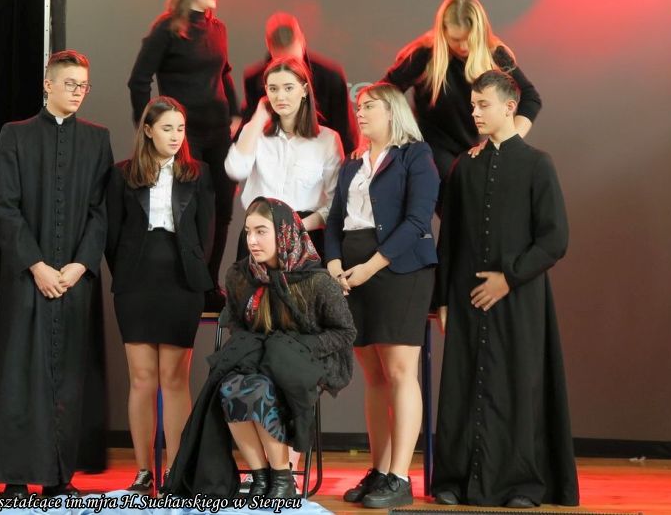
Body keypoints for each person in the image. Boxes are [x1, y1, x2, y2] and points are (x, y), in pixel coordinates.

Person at [432, 69, 578, 509]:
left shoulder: (537, 164)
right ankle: (456, 480)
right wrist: (441, 299)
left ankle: (521, 485)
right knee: (462, 384)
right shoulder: (465, 165)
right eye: (473, 105)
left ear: (510, 107)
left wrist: (508, 278)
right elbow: (449, 238)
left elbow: (554, 239)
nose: (475, 113)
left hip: (519, 298)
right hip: (466, 296)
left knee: (517, 385)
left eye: (483, 105)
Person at [0, 50, 113, 498]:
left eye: (83, 85)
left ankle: (58, 479)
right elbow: (5, 207)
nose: (77, 92)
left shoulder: (97, 139)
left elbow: (100, 211)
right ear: (48, 84)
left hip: (74, 278)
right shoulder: (15, 135)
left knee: (69, 379)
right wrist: (36, 265)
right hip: (26, 275)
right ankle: (15, 479)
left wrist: (79, 265)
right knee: (20, 375)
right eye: (70, 83)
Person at [164, 197, 356, 499]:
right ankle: (262, 476)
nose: (252, 241)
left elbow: (345, 332)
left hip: (306, 359)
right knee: (231, 387)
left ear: (284, 233)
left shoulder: (317, 282)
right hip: (258, 357)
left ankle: (282, 478)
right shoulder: (241, 276)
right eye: (248, 232)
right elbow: (238, 324)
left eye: (261, 232)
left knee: (259, 389)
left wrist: (295, 347)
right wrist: (259, 349)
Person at [324, 82, 439, 509]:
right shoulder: (353, 164)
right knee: (373, 375)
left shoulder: (416, 156)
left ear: (392, 111)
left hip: (399, 269)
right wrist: (333, 264)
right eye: (358, 106)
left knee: (399, 371)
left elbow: (417, 220)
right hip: (352, 271)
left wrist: (372, 265)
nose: (360, 112)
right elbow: (335, 220)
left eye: (369, 106)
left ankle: (399, 476)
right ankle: (379, 469)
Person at [105, 96, 215, 495]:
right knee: (142, 379)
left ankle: (175, 471)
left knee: (174, 379)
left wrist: (193, 271)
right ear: (148, 130)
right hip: (136, 282)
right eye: (167, 128)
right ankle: (142, 472)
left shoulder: (197, 173)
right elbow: (112, 236)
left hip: (182, 281)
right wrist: (127, 273)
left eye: (180, 129)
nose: (175, 136)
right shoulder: (122, 174)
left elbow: (206, 234)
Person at [128, 0, 240, 310]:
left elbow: (224, 73)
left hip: (219, 133)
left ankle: (209, 285)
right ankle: (189, 283)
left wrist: (236, 114)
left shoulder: (218, 28)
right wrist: (149, 129)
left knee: (222, 208)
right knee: (191, 209)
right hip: (185, 135)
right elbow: (138, 80)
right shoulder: (167, 29)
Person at [384, 0, 542, 179]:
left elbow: (530, 98)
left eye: (469, 38)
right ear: (443, 31)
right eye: (455, 39)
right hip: (430, 148)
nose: (463, 46)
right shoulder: (424, 54)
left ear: (480, 32)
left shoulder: (495, 55)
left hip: (471, 149)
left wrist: (507, 141)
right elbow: (384, 91)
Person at [226, 56, 343, 260]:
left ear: (304, 90)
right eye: (273, 89)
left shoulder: (328, 139)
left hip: (304, 234)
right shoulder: (255, 131)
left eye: (288, 88)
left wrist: (297, 226)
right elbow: (235, 170)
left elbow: (335, 203)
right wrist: (258, 118)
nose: (280, 96)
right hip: (258, 231)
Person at [241, 12, 358, 154]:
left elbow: (346, 137)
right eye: (280, 64)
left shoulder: (330, 77)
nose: (288, 71)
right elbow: (245, 141)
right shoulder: (254, 80)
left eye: (294, 61)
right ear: (269, 46)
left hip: (320, 158)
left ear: (302, 41)